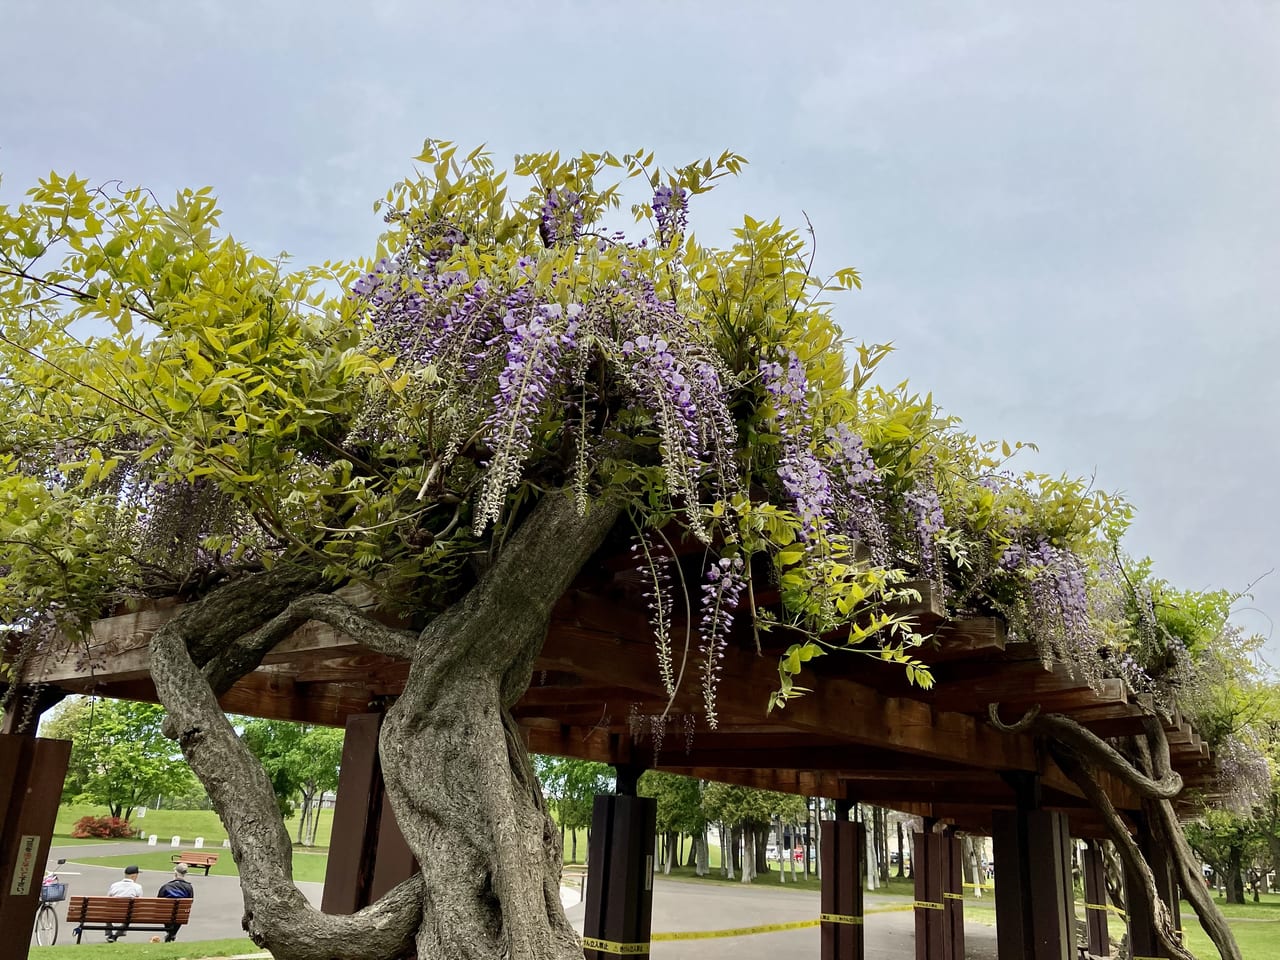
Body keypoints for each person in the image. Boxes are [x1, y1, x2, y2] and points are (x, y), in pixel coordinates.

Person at [156, 863, 195, 942]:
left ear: (175, 873)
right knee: (181, 913)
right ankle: (172, 934)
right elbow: (190, 900)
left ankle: (170, 933)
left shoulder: (166, 886)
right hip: (180, 914)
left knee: (164, 911)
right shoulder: (189, 887)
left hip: (165, 914)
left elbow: (159, 900)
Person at [104, 865, 142, 940]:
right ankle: (116, 935)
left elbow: (108, 899)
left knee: (107, 910)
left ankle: (109, 933)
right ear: (134, 876)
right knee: (131, 913)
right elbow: (139, 902)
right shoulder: (137, 887)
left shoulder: (114, 885)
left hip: (112, 913)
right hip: (128, 914)